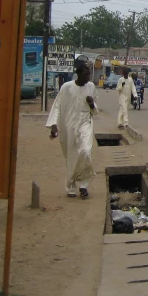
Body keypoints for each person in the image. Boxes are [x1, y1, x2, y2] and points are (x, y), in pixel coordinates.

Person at [46, 64, 97, 199]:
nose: (88, 77)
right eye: (86, 75)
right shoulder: (67, 87)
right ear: (78, 75)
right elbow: (57, 106)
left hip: (85, 124)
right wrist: (53, 124)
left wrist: (92, 104)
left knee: (85, 151)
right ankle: (71, 187)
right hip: (68, 126)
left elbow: (95, 110)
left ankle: (84, 185)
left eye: (89, 75)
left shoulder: (91, 87)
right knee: (71, 157)